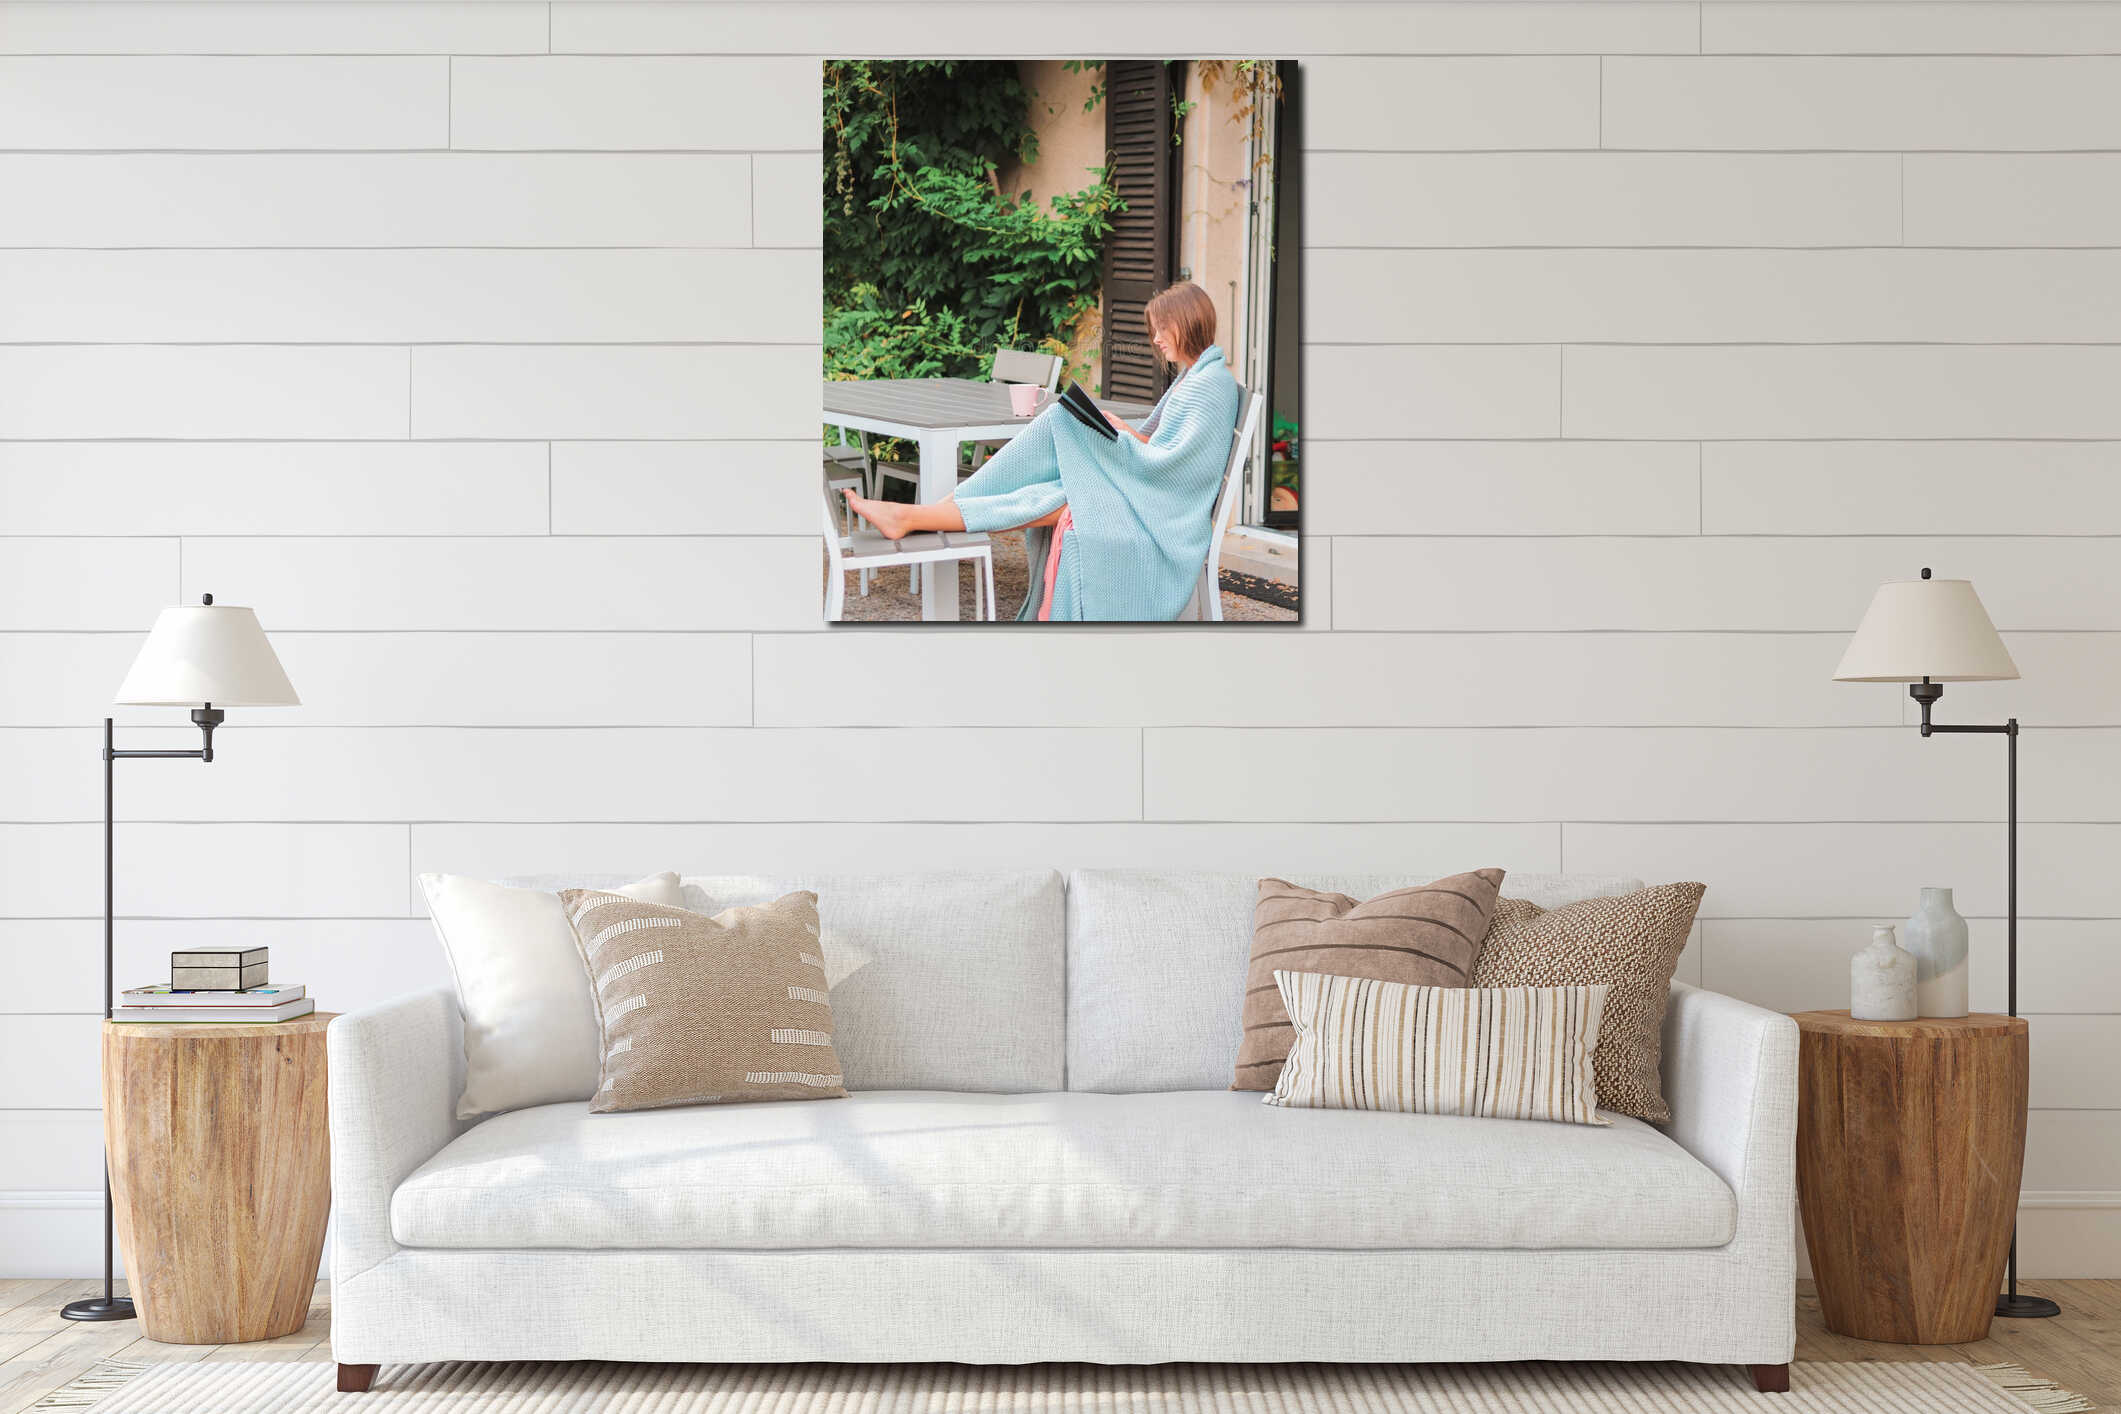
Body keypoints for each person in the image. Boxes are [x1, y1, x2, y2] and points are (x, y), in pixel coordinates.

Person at [843, 281, 1242, 621]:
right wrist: (1122, 432)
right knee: (1053, 488)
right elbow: (1165, 451)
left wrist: (1117, 441)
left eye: (1162, 328)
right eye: (1154, 329)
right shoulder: (1196, 377)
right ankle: (919, 515)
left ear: (1188, 323)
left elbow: (1176, 472)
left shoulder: (1210, 386)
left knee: (1058, 425)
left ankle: (932, 511)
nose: (1155, 339)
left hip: (1166, 517)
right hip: (1152, 496)